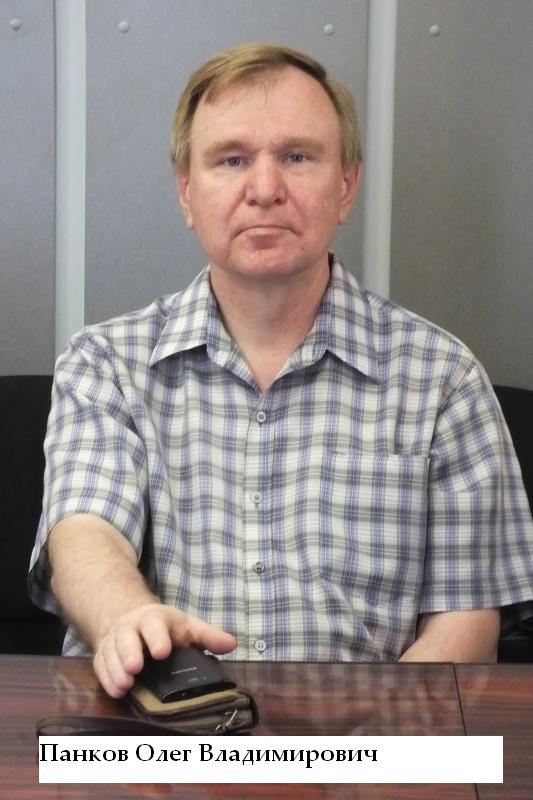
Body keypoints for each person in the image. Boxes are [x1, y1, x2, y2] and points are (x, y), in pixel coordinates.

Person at [29, 42, 533, 699]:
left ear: (345, 186)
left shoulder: (443, 380)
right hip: (158, 741)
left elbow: (466, 625)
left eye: (297, 157)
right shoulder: (106, 365)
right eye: (231, 160)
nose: (264, 190)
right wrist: (128, 618)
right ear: (186, 193)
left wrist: (359, 749)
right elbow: (82, 537)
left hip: (369, 748)